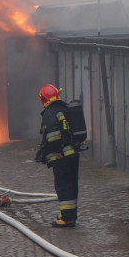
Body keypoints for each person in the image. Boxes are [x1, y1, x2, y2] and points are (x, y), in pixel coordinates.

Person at [35, 84, 80, 228]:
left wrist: (55, 151)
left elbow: (53, 135)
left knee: (63, 186)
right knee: (71, 185)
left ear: (43, 99)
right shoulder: (65, 109)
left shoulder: (50, 112)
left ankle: (67, 219)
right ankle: (70, 216)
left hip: (62, 157)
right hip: (73, 154)